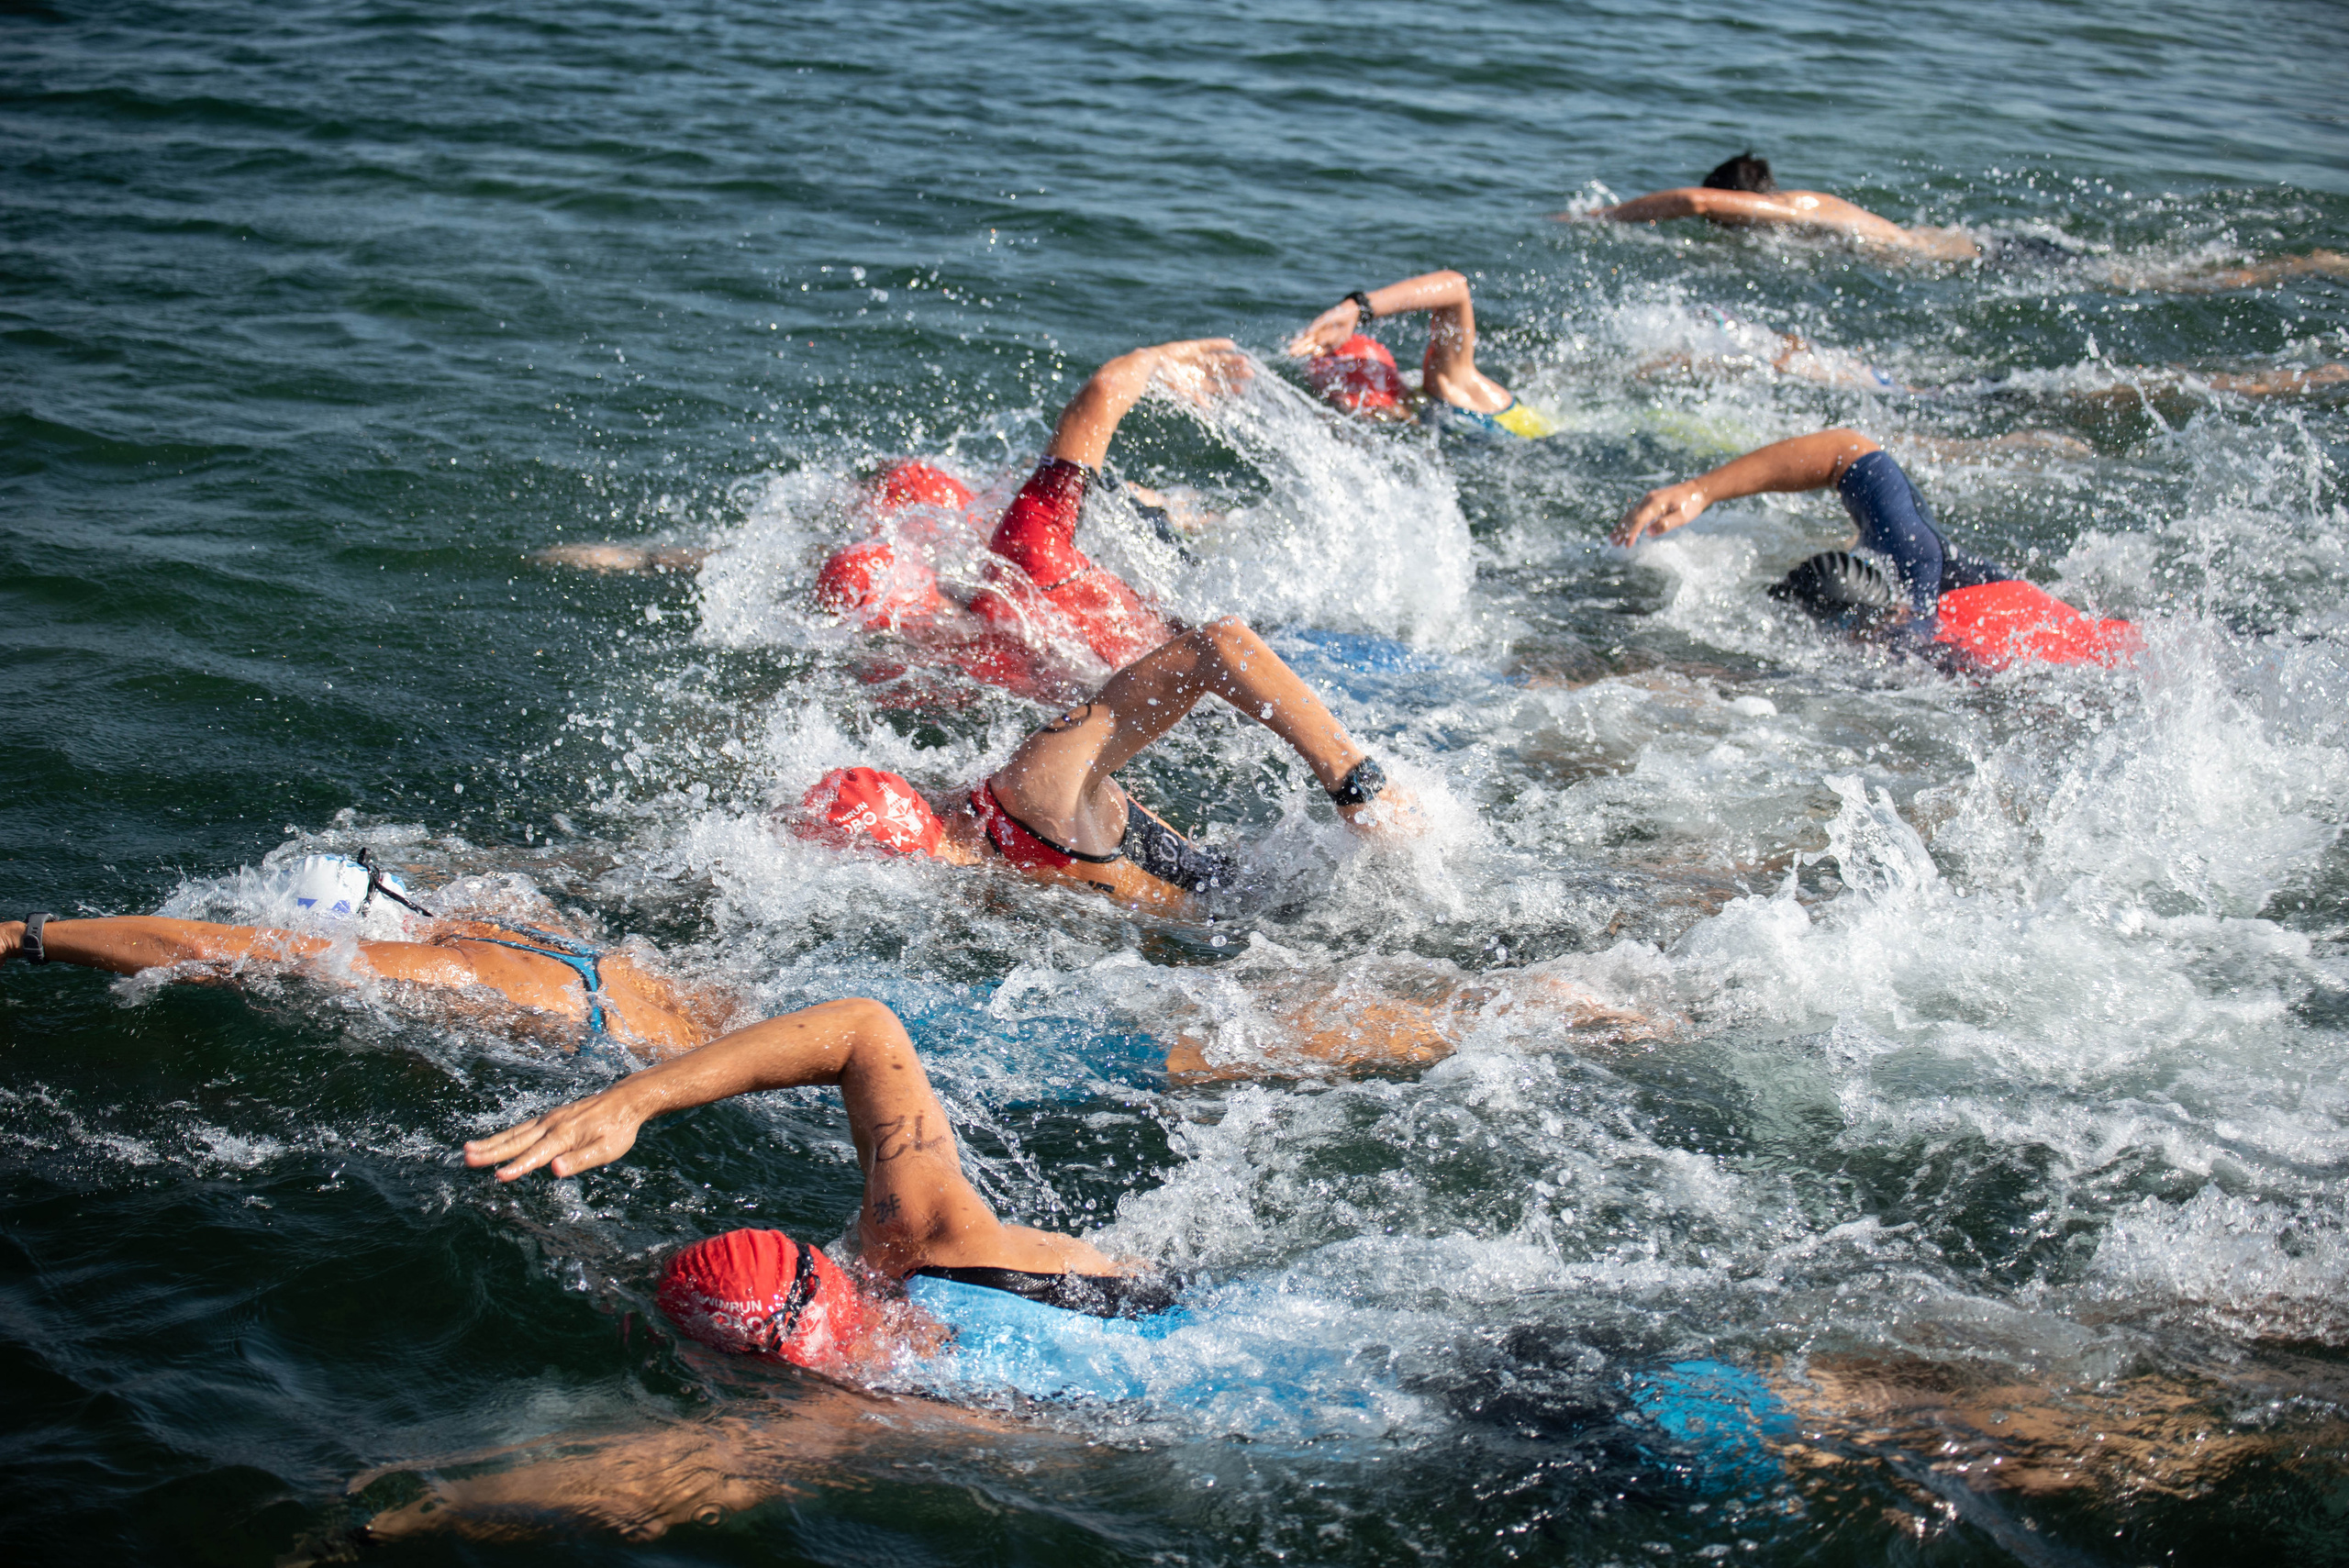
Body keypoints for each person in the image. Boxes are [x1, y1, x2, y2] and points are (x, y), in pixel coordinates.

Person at [796, 614, 1420, 910]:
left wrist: (1357, 786)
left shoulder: (1034, 791)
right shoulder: (972, 881)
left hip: (1287, 903)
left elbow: (1219, 647)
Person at [0, 856, 725, 1058]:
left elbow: (196, 945)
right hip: (724, 1027)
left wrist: (25, 933)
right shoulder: (513, 921)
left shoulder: (449, 971)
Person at [818, 339, 1249, 675]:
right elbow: (1105, 389)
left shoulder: (926, 674)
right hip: (1191, 631)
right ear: (928, 584)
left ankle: (1174, 510)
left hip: (1173, 669)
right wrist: (1156, 359)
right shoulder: (1028, 554)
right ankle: (1179, 510)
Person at [1612, 428, 2141, 670]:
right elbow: (1850, 451)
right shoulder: (1917, 560)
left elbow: (1847, 447)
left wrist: (1700, 490)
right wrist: (1700, 490)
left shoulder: (1924, 636)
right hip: (2135, 653)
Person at [1287, 270, 1559, 438]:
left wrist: (1358, 308)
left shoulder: (1451, 391)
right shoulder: (1417, 419)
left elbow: (1455, 288)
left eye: (1339, 403)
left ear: (1363, 399)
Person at [1580, 150, 1981, 261]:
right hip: (1961, 252)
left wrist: (1599, 217)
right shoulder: (1801, 214)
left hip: (1978, 257)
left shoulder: (1792, 207)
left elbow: (1694, 200)